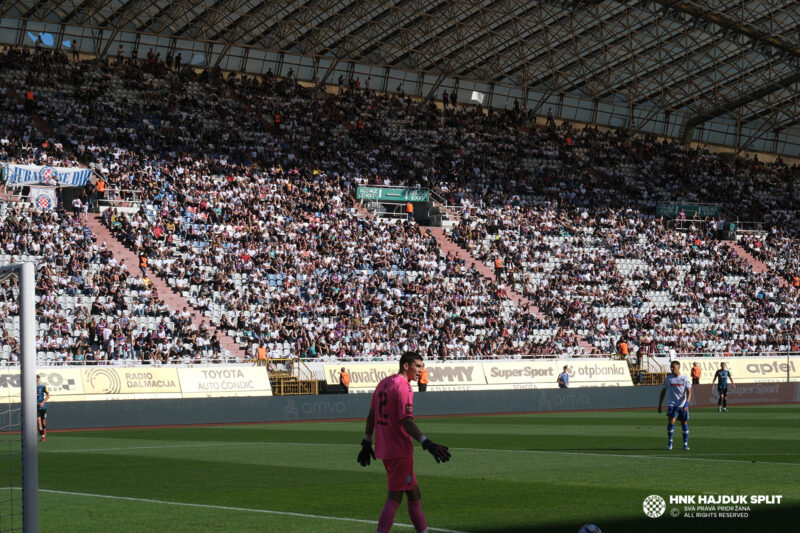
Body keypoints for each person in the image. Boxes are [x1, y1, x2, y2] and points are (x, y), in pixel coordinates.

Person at [358, 352, 451, 533]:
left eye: (422, 366)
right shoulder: (404, 387)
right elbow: (406, 420)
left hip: (386, 448)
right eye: (417, 366)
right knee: (394, 498)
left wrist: (367, 440)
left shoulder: (383, 383)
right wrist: (428, 443)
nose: (421, 370)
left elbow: (371, 415)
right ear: (406, 366)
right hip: (399, 451)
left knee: (414, 493)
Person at [657, 361, 692, 450]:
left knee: (684, 423)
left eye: (673, 367)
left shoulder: (685, 378)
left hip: (683, 405)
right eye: (671, 367)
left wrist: (687, 404)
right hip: (672, 404)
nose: (671, 368)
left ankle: (685, 444)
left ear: (678, 367)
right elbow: (663, 391)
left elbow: (689, 391)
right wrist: (660, 404)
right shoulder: (669, 379)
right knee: (672, 421)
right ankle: (670, 442)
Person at [37, 375, 50, 442]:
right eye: (36, 379)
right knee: (39, 421)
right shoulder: (30, 388)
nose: (37, 380)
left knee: (43, 421)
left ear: (39, 379)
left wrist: (43, 402)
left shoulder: (43, 387)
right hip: (35, 407)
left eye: (38, 379)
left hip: (43, 407)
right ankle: (43, 437)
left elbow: (48, 395)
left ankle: (44, 430)